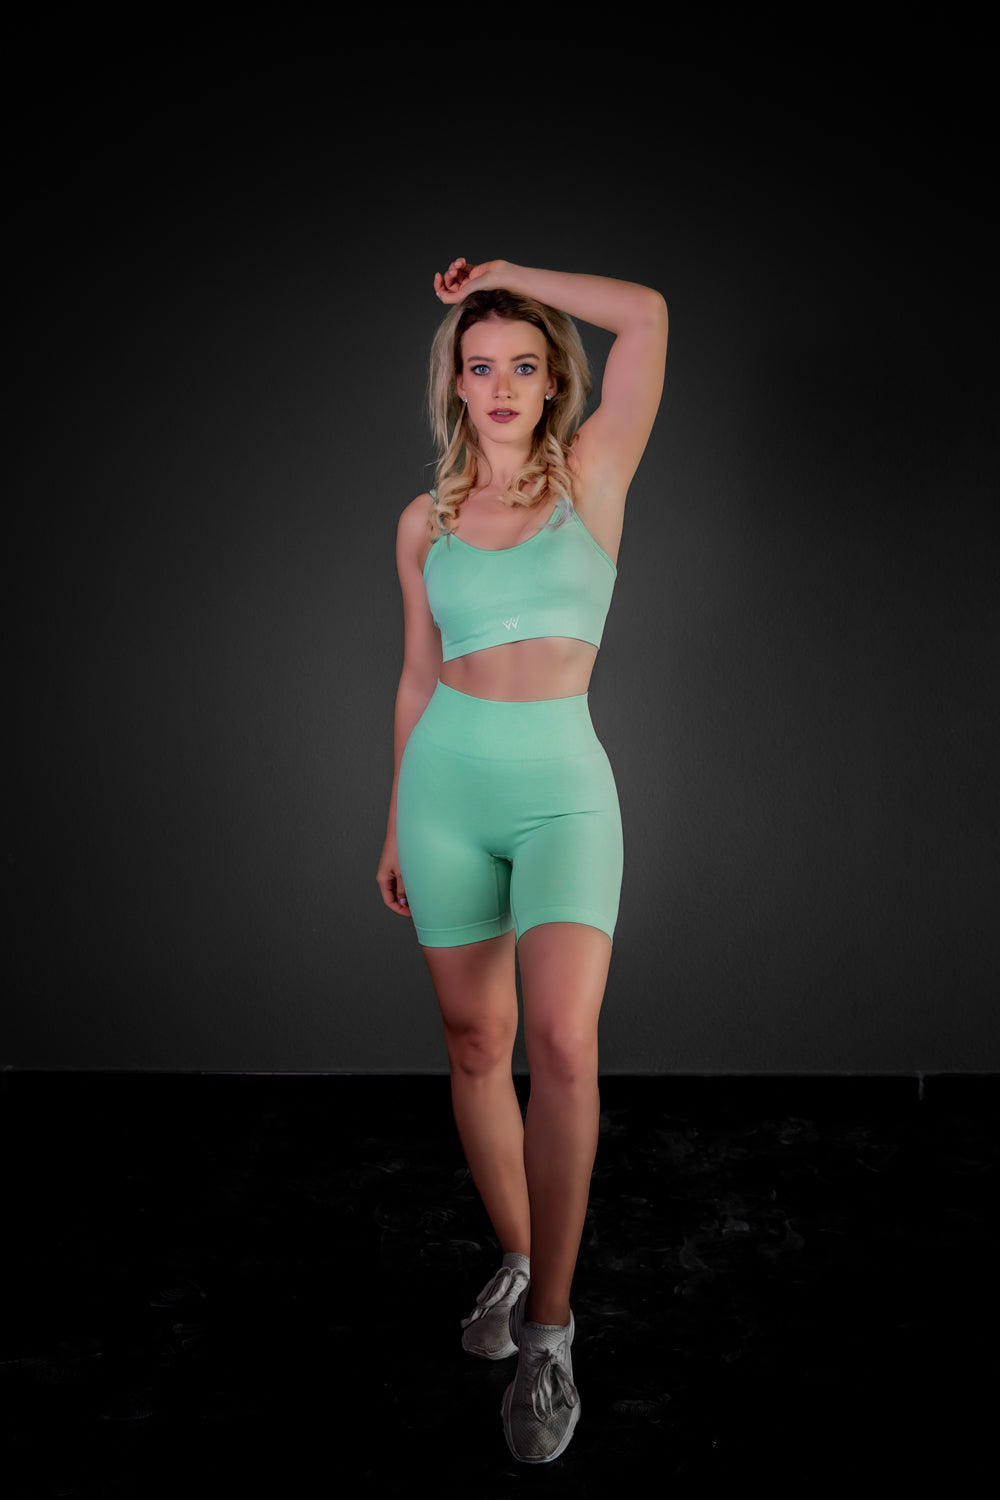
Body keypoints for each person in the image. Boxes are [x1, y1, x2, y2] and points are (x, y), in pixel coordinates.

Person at [376, 257, 667, 1463]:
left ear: (554, 385)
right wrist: (393, 818)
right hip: (444, 791)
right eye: (479, 365)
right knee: (474, 1044)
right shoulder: (425, 522)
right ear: (455, 384)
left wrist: (499, 276)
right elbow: (414, 676)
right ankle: (515, 1252)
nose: (500, 385)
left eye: (524, 366)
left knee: (561, 1043)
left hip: (560, 795)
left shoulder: (592, 477)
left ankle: (549, 1331)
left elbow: (646, 315)